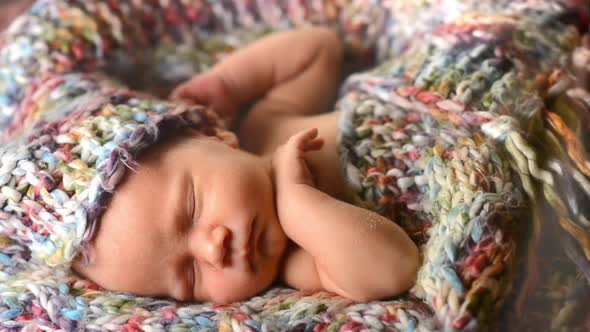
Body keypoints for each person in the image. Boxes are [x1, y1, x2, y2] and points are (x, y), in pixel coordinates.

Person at [71, 27, 421, 304]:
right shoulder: (297, 259)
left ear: (215, 137)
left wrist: (231, 84)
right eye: (191, 276)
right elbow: (396, 269)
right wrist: (296, 200)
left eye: (192, 208)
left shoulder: (263, 126)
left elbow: (318, 50)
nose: (212, 250)